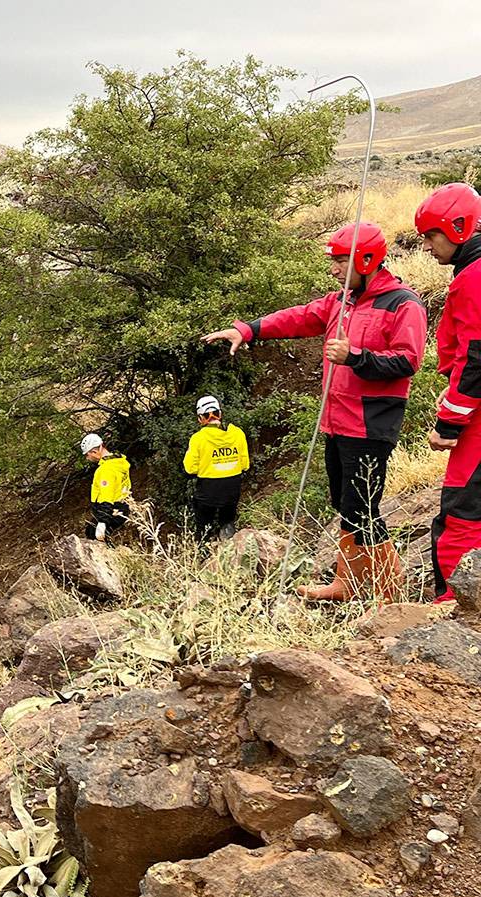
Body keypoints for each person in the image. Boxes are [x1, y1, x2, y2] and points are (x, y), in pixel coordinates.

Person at [202, 221, 427, 601]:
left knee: (363, 510)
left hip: (370, 425)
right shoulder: (341, 300)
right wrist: (250, 329)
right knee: (346, 504)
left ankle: (391, 593)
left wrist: (355, 357)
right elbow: (300, 317)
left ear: (368, 260)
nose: (334, 270)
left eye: (341, 261)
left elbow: (408, 360)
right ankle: (347, 583)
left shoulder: (404, 303)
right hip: (337, 422)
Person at [419, 183, 481, 599]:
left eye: (431, 235)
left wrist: (449, 422)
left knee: (460, 517)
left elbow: (476, 357)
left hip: (477, 422)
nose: (426, 245)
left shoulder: (474, 278)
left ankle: (451, 611)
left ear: (458, 228)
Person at [183, 396, 250, 543]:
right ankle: (230, 549)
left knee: (203, 526)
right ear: (219, 414)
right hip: (232, 489)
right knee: (228, 521)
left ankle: (202, 556)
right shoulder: (237, 434)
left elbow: (190, 468)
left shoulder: (198, 439)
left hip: (208, 491)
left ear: (201, 418)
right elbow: (245, 465)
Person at [81, 433, 131, 541]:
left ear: (94, 452)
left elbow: (106, 496)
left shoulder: (106, 470)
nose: (87, 458)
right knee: (92, 531)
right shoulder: (118, 461)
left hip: (113, 509)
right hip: (122, 506)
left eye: (87, 454)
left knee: (94, 534)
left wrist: (102, 522)